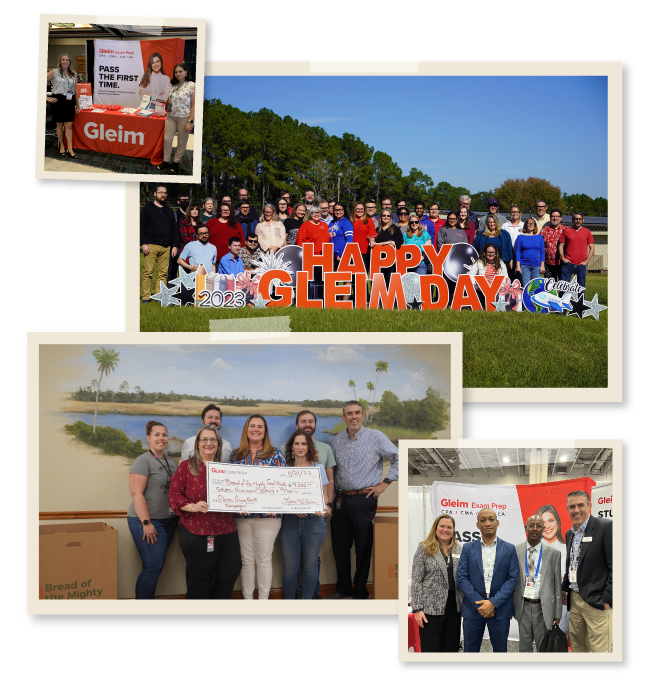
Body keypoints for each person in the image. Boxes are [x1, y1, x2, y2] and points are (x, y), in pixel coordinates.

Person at [327, 401, 398, 599]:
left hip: (364, 500)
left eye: (357, 412)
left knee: (362, 548)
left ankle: (359, 591)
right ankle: (343, 589)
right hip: (340, 500)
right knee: (339, 547)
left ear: (363, 415)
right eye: (349, 413)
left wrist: (385, 483)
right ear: (344, 418)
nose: (354, 416)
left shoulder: (376, 437)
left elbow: (398, 457)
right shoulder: (336, 441)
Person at [169, 425, 242, 599]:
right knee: (200, 579)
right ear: (198, 443)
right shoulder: (186, 466)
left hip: (226, 530)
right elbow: (173, 496)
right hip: (196, 531)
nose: (209, 443)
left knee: (230, 573)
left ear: (218, 443)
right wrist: (192, 506)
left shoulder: (227, 469)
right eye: (204, 439)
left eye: (213, 440)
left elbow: (236, 495)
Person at [228, 415, 287, 600]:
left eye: (260, 426)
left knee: (263, 560)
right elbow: (229, 486)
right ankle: (248, 601)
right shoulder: (236, 455)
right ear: (246, 429)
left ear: (265, 431)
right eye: (252, 426)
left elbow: (283, 485)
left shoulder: (275, 454)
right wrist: (237, 504)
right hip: (241, 517)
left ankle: (262, 602)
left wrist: (274, 504)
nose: (256, 429)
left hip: (268, 518)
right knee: (246, 560)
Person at [280, 410, 336, 599]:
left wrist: (326, 507)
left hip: (314, 523)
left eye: (304, 443)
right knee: (290, 568)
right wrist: (294, 509)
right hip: (289, 523)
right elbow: (281, 496)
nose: (301, 447)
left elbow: (323, 493)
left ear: (309, 446)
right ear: (292, 447)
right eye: (297, 443)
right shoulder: (284, 469)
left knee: (311, 566)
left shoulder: (318, 468)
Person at [127, 420, 179, 599]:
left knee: (157, 565)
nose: (161, 438)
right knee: (153, 567)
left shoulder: (171, 461)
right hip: (148, 521)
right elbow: (136, 494)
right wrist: (147, 523)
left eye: (164, 435)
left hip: (169, 521)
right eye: (157, 435)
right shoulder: (143, 461)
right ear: (148, 438)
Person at [456, 508, 518, 653]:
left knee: (500, 650)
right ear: (477, 525)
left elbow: (512, 579)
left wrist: (493, 603)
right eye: (482, 520)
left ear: (497, 522)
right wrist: (480, 604)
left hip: (500, 610)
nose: (487, 523)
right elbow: (462, 577)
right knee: (470, 650)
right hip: (473, 609)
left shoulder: (509, 549)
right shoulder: (467, 548)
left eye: (491, 519)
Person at [561, 490, 612, 653]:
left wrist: (607, 599)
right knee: (578, 646)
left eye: (580, 505)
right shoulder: (570, 533)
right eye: (572, 506)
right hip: (574, 599)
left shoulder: (605, 527)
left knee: (599, 649)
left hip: (596, 601)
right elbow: (572, 563)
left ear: (590, 505)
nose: (576, 510)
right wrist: (564, 587)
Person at [411, 514, 463, 652]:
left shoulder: (459, 549)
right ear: (435, 528)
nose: (445, 530)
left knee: (451, 647)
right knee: (432, 648)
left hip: (454, 607)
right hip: (430, 608)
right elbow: (416, 580)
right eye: (442, 526)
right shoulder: (424, 548)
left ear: (453, 530)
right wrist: (417, 609)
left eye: (449, 527)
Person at [513, 515, 562, 653]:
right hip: (523, 606)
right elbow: (511, 580)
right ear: (526, 528)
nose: (535, 529)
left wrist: (557, 613)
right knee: (524, 646)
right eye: (531, 525)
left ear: (543, 529)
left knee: (543, 646)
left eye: (539, 526)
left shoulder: (554, 554)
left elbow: (557, 586)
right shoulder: (515, 550)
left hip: (543, 607)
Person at [140, 185, 178, 303]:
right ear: (155, 194)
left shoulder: (169, 211)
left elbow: (174, 229)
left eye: (165, 193)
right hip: (151, 245)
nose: (163, 195)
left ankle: (159, 296)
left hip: (166, 247)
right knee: (148, 272)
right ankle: (146, 297)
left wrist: (175, 246)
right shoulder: (147, 209)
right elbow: (141, 227)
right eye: (160, 192)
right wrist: (143, 243)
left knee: (163, 273)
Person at [537, 504, 568, 635]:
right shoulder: (532, 549)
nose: (548, 526)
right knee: (542, 641)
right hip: (538, 602)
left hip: (562, 603)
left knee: (558, 640)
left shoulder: (568, 548)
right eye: (542, 523)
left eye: (551, 520)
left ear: (557, 521)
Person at [159, 63, 195, 174]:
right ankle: (166, 161)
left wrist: (190, 121)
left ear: (186, 72)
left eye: (180, 71)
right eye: (176, 72)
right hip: (171, 116)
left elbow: (194, 105)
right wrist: (166, 111)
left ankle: (176, 163)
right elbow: (169, 100)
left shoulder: (192, 86)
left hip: (184, 118)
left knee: (181, 142)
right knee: (167, 139)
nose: (178, 74)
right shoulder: (172, 85)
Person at [47, 53, 80, 159]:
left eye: (67, 60)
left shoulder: (73, 74)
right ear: (60, 61)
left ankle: (69, 148)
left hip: (69, 101)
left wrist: (78, 105)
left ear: (70, 62)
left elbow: (75, 90)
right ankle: (61, 145)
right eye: (63, 60)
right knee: (60, 125)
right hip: (57, 101)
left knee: (69, 126)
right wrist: (46, 98)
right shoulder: (54, 72)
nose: (65, 61)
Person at [297, 206, 331, 299]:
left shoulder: (325, 225)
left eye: (318, 212)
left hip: (324, 256)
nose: (317, 214)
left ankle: (320, 299)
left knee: (321, 279)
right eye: (314, 212)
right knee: (312, 279)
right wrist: (303, 255)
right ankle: (310, 299)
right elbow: (300, 241)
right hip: (310, 256)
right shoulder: (305, 225)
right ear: (310, 214)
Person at [559, 212, 595, 288]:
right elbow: (561, 245)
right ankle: (563, 300)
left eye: (579, 219)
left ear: (583, 220)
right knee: (563, 288)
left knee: (580, 289)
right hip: (568, 264)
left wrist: (587, 261)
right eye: (576, 219)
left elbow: (592, 247)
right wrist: (563, 258)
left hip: (581, 265)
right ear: (572, 220)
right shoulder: (567, 231)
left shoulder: (587, 232)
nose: (578, 221)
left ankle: (580, 300)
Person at [468, 244, 509, 310]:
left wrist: (501, 289)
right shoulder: (479, 262)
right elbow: (470, 276)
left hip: (497, 292)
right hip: (481, 291)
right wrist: (476, 287)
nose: (490, 254)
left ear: (495, 253)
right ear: (485, 253)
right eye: (489, 252)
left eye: (492, 252)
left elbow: (506, 278)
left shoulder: (501, 263)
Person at [207, 203, 245, 269]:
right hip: (214, 260)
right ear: (219, 211)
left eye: (227, 210)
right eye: (223, 210)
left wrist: (240, 254)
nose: (226, 211)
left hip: (231, 260)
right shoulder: (211, 222)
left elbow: (242, 239)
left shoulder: (236, 224)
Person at [374, 208, 403, 287]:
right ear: (380, 217)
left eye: (388, 215)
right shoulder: (377, 230)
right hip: (378, 262)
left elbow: (400, 242)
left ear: (391, 217)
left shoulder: (395, 229)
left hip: (391, 263)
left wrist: (389, 242)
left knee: (389, 284)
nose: (386, 217)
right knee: (378, 285)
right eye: (384, 215)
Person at [515, 216, 545, 287]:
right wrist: (518, 266)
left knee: (536, 286)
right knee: (526, 286)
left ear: (535, 226)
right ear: (525, 225)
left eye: (532, 223)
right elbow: (518, 251)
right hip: (524, 265)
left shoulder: (539, 237)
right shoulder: (520, 237)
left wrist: (542, 266)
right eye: (528, 223)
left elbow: (542, 252)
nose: (530, 225)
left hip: (537, 265)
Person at [351, 202, 377, 281]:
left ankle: (365, 293)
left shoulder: (368, 221)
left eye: (361, 209)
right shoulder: (350, 221)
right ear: (354, 210)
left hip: (365, 252)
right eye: (357, 209)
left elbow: (372, 234)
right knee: (353, 277)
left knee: (362, 278)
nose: (360, 210)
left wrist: (372, 241)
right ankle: (355, 293)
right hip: (351, 252)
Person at [169, 191, 190, 280]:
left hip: (187, 248)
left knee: (186, 273)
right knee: (173, 271)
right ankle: (171, 292)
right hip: (175, 247)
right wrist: (173, 246)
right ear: (178, 201)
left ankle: (184, 292)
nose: (185, 201)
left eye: (187, 200)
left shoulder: (191, 215)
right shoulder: (174, 215)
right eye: (182, 200)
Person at [541, 210, 566, 282]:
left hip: (562, 263)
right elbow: (540, 247)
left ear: (561, 218)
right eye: (553, 216)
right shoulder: (544, 230)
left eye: (557, 216)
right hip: (548, 264)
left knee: (563, 285)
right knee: (549, 287)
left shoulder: (566, 230)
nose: (555, 218)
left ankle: (561, 294)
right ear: (550, 218)